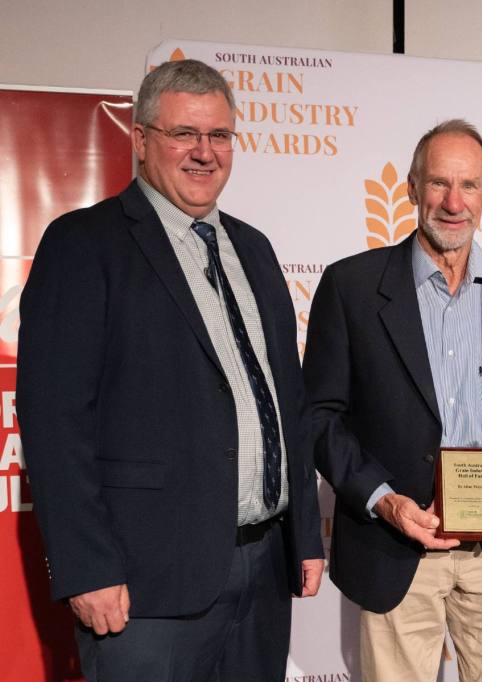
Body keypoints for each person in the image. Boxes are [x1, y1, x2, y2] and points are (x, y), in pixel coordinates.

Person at [17, 59, 324, 681]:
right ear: (141, 139)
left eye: (219, 136)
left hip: (263, 571)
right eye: (185, 133)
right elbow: (54, 421)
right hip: (144, 582)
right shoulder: (83, 245)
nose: (204, 153)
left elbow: (284, 401)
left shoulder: (255, 249)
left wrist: (305, 537)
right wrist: (88, 567)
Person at [303, 119, 482, 681]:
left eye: (469, 186)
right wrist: (386, 501)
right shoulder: (352, 286)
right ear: (412, 187)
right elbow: (320, 418)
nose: (453, 202)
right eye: (439, 184)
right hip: (398, 547)